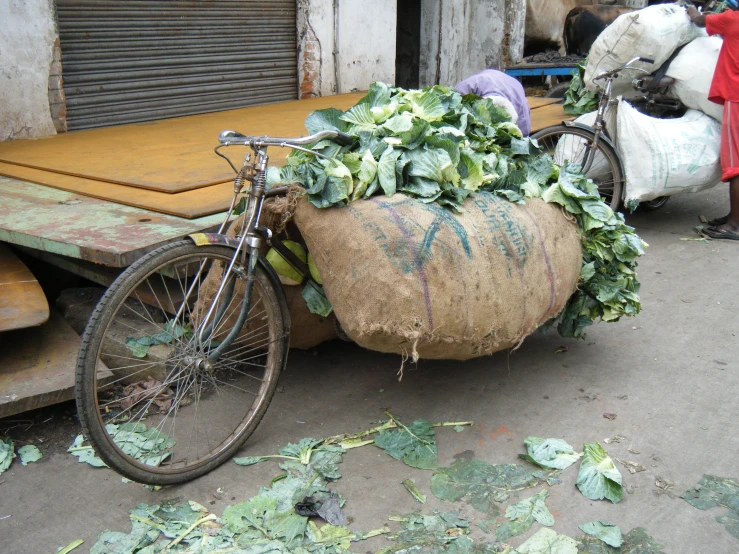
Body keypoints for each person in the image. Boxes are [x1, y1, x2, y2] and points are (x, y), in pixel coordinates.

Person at [688, 5, 739, 240]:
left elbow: (700, 20)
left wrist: (690, 11)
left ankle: (734, 225)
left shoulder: (732, 20)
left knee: (735, 165)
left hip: (736, 98)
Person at [455, 69, 531, 136]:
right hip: (488, 77)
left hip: (511, 83)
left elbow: (523, 133)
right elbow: (454, 96)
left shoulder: (518, 103)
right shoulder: (474, 83)